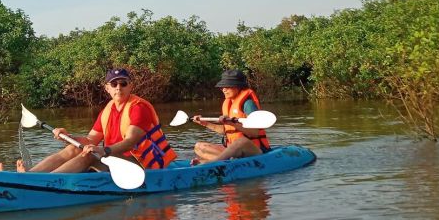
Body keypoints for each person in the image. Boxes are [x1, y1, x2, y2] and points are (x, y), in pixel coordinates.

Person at [15, 68, 177, 173]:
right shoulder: (108, 109)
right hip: (115, 159)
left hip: (143, 165)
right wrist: (68, 137)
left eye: (123, 83)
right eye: (114, 84)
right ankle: (30, 177)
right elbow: (90, 139)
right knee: (74, 149)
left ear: (130, 86)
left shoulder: (138, 107)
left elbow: (129, 142)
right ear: (107, 88)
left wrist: (102, 151)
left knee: (90, 155)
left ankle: (47, 184)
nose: (118, 87)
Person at [192, 69, 271, 164]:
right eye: (222, 87)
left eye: (227, 86)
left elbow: (254, 133)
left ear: (238, 87)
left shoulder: (248, 104)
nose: (223, 89)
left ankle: (211, 163)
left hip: (256, 151)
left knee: (241, 141)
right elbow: (226, 131)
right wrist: (205, 123)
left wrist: (231, 123)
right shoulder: (228, 103)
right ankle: (224, 161)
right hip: (235, 151)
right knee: (199, 146)